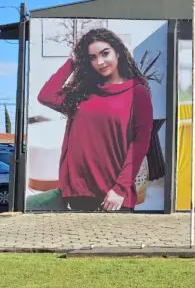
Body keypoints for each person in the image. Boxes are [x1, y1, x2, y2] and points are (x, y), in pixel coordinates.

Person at [35, 28, 154, 211]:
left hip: (114, 195)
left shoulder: (137, 92)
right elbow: (46, 96)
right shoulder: (83, 93)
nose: (100, 62)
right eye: (92, 57)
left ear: (118, 52)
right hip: (79, 192)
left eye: (105, 53)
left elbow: (140, 144)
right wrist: (72, 62)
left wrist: (120, 188)